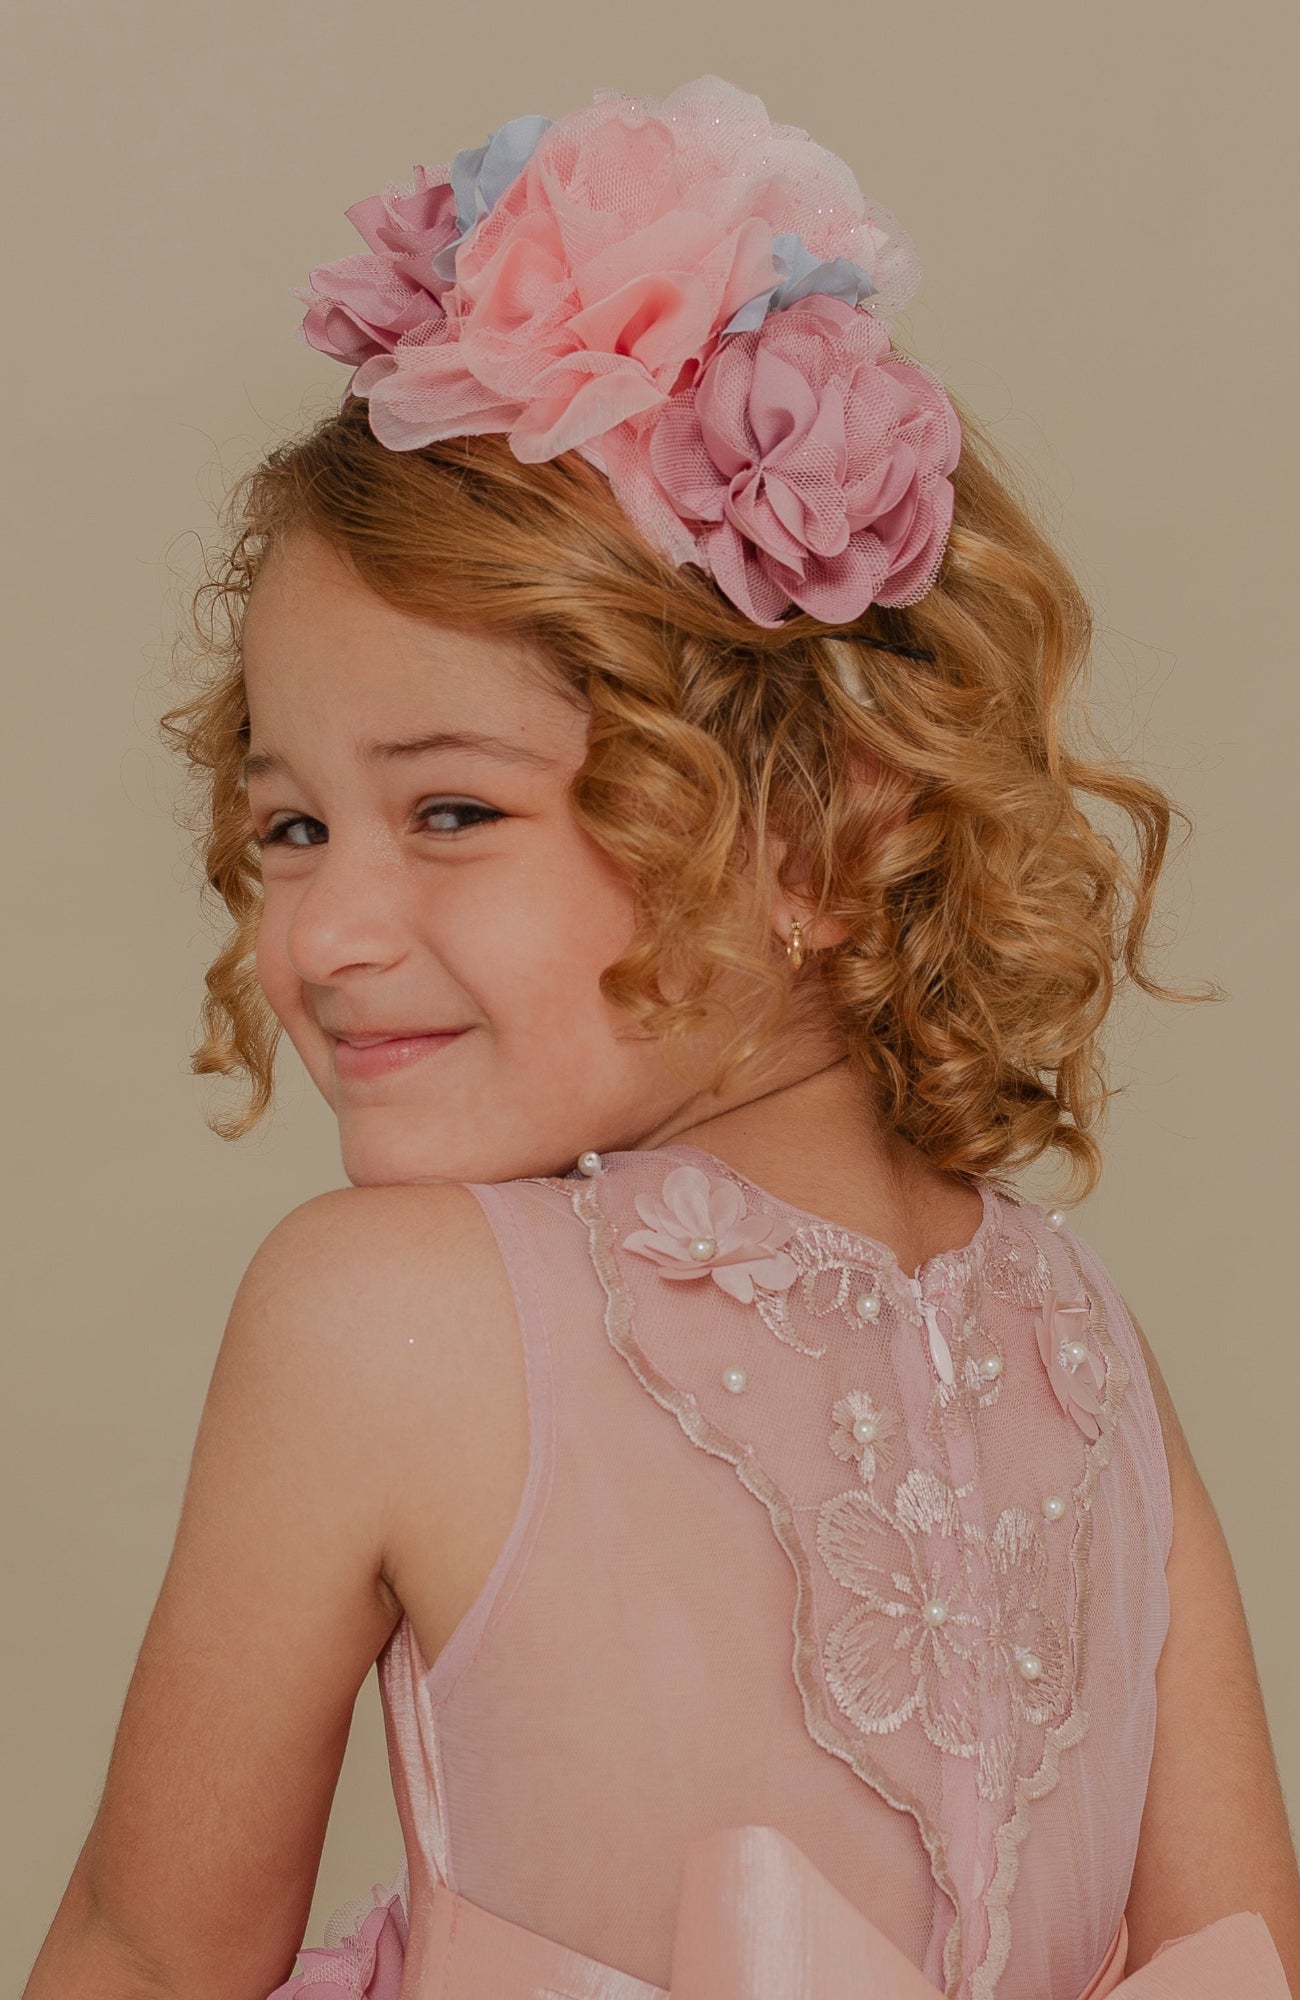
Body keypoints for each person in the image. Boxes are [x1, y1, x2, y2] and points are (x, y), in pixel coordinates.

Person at [21, 71, 1300, 2000]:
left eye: (453, 810)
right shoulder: (1093, 1349)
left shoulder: (381, 1311)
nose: (326, 933)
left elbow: (144, 1951)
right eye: (288, 828)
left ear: (819, 834)